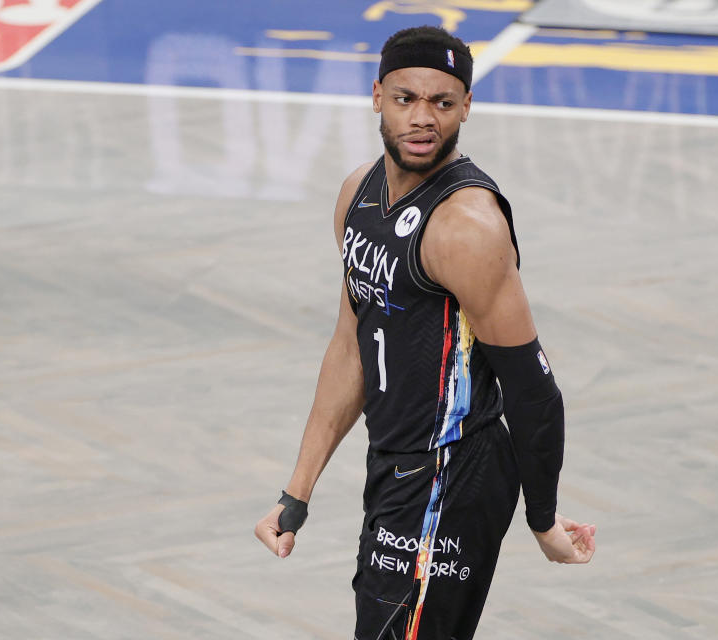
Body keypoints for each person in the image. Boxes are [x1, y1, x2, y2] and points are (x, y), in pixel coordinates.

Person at [255, 25, 596, 640]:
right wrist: (296, 492)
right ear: (378, 95)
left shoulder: (467, 228)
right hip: (395, 466)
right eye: (406, 99)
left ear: (466, 106)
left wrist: (541, 520)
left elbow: (533, 389)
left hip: (452, 474)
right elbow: (349, 346)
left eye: (442, 102)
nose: (422, 119)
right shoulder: (357, 196)